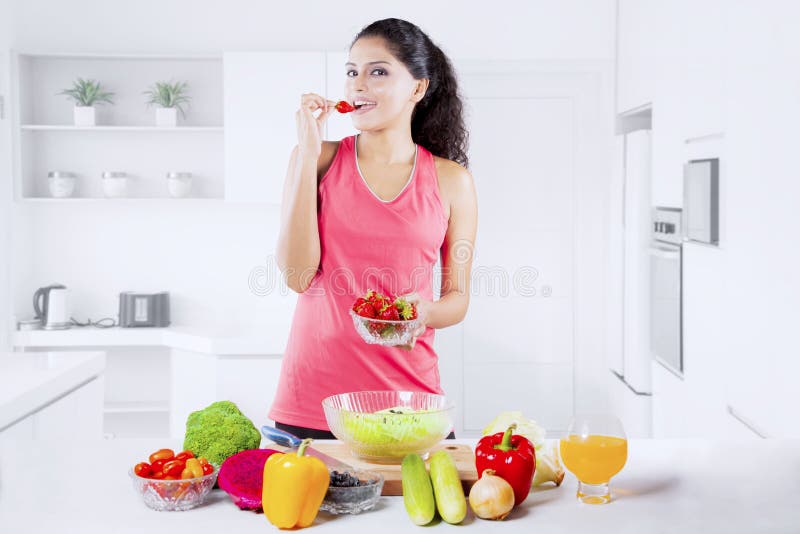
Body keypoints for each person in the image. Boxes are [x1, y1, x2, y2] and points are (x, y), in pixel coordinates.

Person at [269, 18, 478, 439]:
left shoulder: (451, 180)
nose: (358, 85)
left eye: (378, 71)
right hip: (314, 406)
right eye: (352, 72)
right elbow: (296, 275)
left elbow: (457, 298)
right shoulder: (317, 159)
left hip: (410, 405)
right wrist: (308, 154)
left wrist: (424, 314)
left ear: (417, 88)